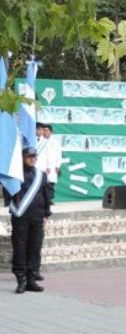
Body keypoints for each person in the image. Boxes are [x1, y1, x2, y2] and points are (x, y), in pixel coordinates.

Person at [4, 147, 51, 294]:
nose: (32, 159)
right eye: (29, 156)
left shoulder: (41, 175)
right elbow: (8, 192)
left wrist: (46, 214)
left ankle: (31, 279)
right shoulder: (15, 176)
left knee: (35, 248)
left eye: (34, 156)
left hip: (37, 217)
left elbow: (46, 195)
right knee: (20, 248)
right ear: (22, 158)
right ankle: (21, 280)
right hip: (21, 217)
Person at [36, 124, 62, 196]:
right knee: (43, 183)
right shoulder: (39, 141)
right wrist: (45, 166)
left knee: (51, 182)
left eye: (47, 131)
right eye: (43, 131)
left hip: (53, 165)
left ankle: (50, 198)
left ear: (51, 132)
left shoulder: (56, 142)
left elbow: (59, 154)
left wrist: (58, 165)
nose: (45, 132)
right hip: (42, 165)